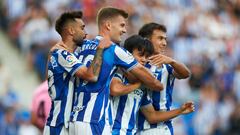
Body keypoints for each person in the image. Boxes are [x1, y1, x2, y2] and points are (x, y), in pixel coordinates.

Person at [70, 7, 163, 135]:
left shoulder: (82, 46)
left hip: (74, 118)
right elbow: (155, 83)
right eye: (122, 25)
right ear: (108, 25)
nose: (124, 30)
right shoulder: (115, 50)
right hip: (95, 120)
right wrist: (142, 83)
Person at [43, 10, 111, 135]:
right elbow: (91, 75)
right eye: (82, 28)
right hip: (59, 125)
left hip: (64, 124)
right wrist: (100, 49)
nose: (85, 33)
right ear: (71, 31)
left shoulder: (60, 53)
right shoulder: (62, 54)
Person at [110, 35, 194, 135]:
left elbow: (152, 116)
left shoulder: (142, 85)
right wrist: (138, 84)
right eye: (140, 55)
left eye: (146, 56)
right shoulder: (119, 71)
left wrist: (180, 110)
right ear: (128, 54)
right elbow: (114, 89)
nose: (144, 60)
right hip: (111, 131)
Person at [137, 22, 191, 135]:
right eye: (160, 38)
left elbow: (185, 74)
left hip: (161, 129)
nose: (164, 43)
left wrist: (172, 61)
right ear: (147, 40)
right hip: (140, 128)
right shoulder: (136, 66)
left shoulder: (167, 66)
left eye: (165, 39)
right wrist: (180, 110)